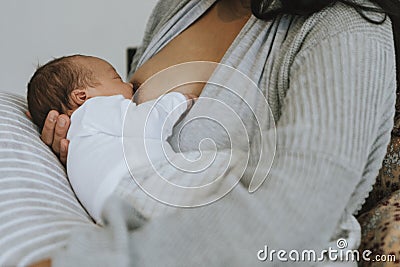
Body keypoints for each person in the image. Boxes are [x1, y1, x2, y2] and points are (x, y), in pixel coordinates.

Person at [32, 0, 400, 266]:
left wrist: (98, 259)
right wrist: (83, 147)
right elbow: (130, 122)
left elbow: (300, 206)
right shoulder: (179, 6)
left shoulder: (346, 29)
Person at [27, 55, 197, 222]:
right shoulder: (92, 109)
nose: (129, 84)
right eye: (117, 78)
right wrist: (178, 100)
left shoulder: (78, 139)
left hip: (111, 210)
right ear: (81, 96)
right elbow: (147, 123)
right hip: (138, 183)